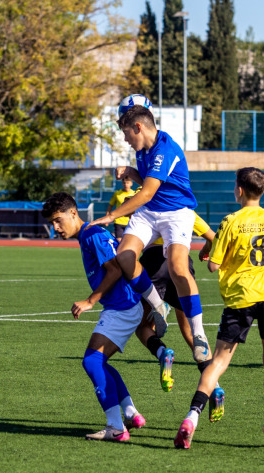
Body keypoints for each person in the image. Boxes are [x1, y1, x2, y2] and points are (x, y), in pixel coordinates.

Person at [174, 167, 264, 449]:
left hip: (239, 298)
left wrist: (210, 256)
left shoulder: (231, 220)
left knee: (218, 362)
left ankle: (192, 417)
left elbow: (215, 264)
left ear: (239, 189)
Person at [88, 104, 210, 364]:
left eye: (125, 134)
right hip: (150, 213)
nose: (125, 140)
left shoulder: (165, 149)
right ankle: (157, 305)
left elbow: (147, 192)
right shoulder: (143, 150)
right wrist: (132, 172)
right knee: (124, 257)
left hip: (177, 213)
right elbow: (148, 185)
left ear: (138, 127)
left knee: (178, 268)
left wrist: (111, 215)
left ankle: (199, 334)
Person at [42, 192, 147, 442]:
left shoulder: (91, 234)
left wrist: (90, 300)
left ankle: (116, 427)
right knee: (100, 362)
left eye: (58, 220)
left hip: (122, 306)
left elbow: (115, 269)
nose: (56, 227)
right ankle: (131, 413)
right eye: (52, 223)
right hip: (123, 305)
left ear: (73, 213)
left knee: (91, 362)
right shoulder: (87, 234)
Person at [133, 211, 225, 418]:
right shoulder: (185, 209)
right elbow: (214, 237)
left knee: (142, 326)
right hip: (182, 263)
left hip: (153, 262)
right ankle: (215, 386)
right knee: (192, 332)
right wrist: (206, 249)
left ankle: (162, 352)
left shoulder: (147, 204)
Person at [106, 176, 137, 241]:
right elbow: (110, 206)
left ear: (131, 183)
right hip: (118, 221)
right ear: (122, 184)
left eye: (127, 183)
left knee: (129, 242)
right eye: (124, 183)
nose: (126, 185)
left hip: (130, 221)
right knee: (119, 242)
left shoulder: (134, 193)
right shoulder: (117, 193)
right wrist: (107, 217)